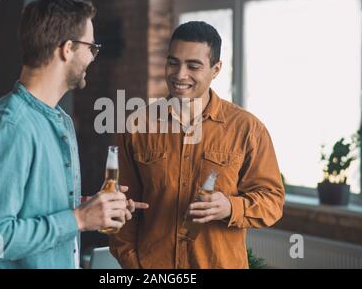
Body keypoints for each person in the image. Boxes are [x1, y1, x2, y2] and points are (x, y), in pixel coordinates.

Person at [0, 0, 147, 269]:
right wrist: (79, 219)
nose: (93, 58)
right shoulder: (11, 126)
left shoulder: (61, 120)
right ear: (67, 48)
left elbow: (37, 209)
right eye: (91, 48)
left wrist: (93, 209)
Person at [109, 21, 285, 269]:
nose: (180, 75)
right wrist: (132, 263)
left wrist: (230, 207)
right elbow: (120, 205)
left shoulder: (248, 129)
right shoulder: (137, 127)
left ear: (216, 69)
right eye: (173, 62)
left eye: (193, 66)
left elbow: (272, 202)